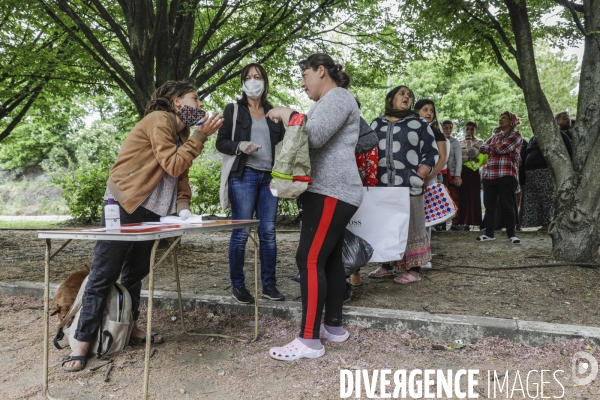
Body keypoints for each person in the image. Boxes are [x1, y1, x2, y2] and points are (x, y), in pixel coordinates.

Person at [61, 81, 224, 372]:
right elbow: (172, 164)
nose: (200, 105)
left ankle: (129, 327)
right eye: (194, 99)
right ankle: (82, 342)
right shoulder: (158, 120)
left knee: (135, 273)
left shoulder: (182, 133)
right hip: (123, 204)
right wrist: (201, 135)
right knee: (104, 273)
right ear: (176, 102)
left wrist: (184, 211)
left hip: (152, 211)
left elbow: (180, 178)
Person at [265, 54, 363, 360]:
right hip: (329, 191)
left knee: (307, 258)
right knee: (329, 259)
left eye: (305, 75)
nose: (303, 83)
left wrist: (286, 112)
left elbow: (315, 136)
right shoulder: (326, 102)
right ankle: (332, 327)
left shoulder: (338, 96)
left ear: (322, 71)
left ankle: (308, 340)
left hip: (332, 192)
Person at [216, 63, 286, 304]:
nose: (253, 81)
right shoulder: (234, 110)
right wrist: (240, 146)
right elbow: (220, 142)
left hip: (270, 178)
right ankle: (238, 286)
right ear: (242, 82)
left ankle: (269, 285)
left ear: (265, 81)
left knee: (268, 232)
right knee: (241, 233)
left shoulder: (274, 113)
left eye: (258, 77)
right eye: (249, 77)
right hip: (244, 175)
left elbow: (285, 147)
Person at [366, 85, 439, 283]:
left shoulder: (419, 124)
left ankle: (414, 270)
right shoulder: (376, 123)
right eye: (402, 94)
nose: (406, 97)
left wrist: (423, 169)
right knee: (386, 225)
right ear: (391, 99)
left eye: (409, 95)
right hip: (381, 186)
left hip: (409, 185)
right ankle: (386, 265)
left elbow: (432, 151)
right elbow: (365, 149)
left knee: (412, 225)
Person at [477, 111, 523, 244]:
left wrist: (493, 148)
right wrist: (494, 146)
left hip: (507, 175)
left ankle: (512, 235)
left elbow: (503, 149)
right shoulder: (495, 136)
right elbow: (482, 148)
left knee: (508, 206)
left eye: (504, 118)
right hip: (489, 175)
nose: (500, 120)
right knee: (490, 207)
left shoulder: (516, 135)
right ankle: (489, 233)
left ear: (512, 121)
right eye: (500, 117)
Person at [521, 122, 572, 230]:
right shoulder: (533, 138)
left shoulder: (559, 134)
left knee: (548, 198)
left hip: (547, 172)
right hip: (531, 173)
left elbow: (569, 150)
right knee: (536, 199)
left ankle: (550, 223)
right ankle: (543, 223)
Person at [455, 121, 484, 231]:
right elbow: (458, 158)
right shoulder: (459, 142)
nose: (469, 131)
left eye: (472, 129)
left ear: (475, 130)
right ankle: (463, 222)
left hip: (473, 171)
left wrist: (468, 142)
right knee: (463, 196)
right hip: (462, 172)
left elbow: (472, 154)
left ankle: (476, 221)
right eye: (467, 129)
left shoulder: (480, 142)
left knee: (474, 196)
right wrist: (468, 157)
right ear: (464, 130)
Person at [414, 99, 448, 186]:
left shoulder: (437, 132)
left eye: (432, 111)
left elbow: (443, 157)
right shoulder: (410, 130)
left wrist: (428, 178)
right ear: (416, 111)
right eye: (425, 110)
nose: (429, 113)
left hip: (430, 178)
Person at [441, 120, 462, 230]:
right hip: (442, 174)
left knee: (454, 199)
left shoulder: (455, 142)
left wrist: (458, 175)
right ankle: (441, 224)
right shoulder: (439, 140)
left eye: (450, 128)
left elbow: (459, 160)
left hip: (453, 174)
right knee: (442, 198)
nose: (448, 130)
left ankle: (455, 223)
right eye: (445, 128)